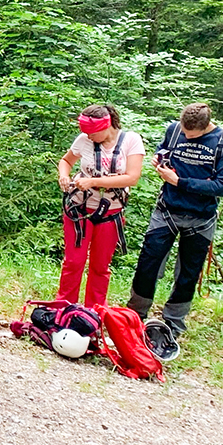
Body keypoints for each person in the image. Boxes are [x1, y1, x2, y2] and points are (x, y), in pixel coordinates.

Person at [128, 103, 223, 354]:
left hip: (201, 218)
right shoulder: (174, 130)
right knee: (149, 262)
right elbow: (163, 151)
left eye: (193, 135)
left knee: (187, 274)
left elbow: (220, 186)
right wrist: (160, 162)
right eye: (184, 132)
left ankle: (173, 324)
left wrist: (179, 181)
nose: (186, 136)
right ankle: (135, 313)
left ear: (206, 126)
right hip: (166, 210)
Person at [55, 104, 144, 311]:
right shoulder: (84, 140)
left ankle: (94, 311)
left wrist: (95, 182)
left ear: (107, 125)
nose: (89, 136)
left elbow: (132, 177)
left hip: (110, 213)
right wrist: (64, 175)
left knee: (100, 266)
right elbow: (66, 161)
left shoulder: (131, 141)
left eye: (92, 132)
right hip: (80, 210)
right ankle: (62, 308)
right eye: (85, 132)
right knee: (73, 263)